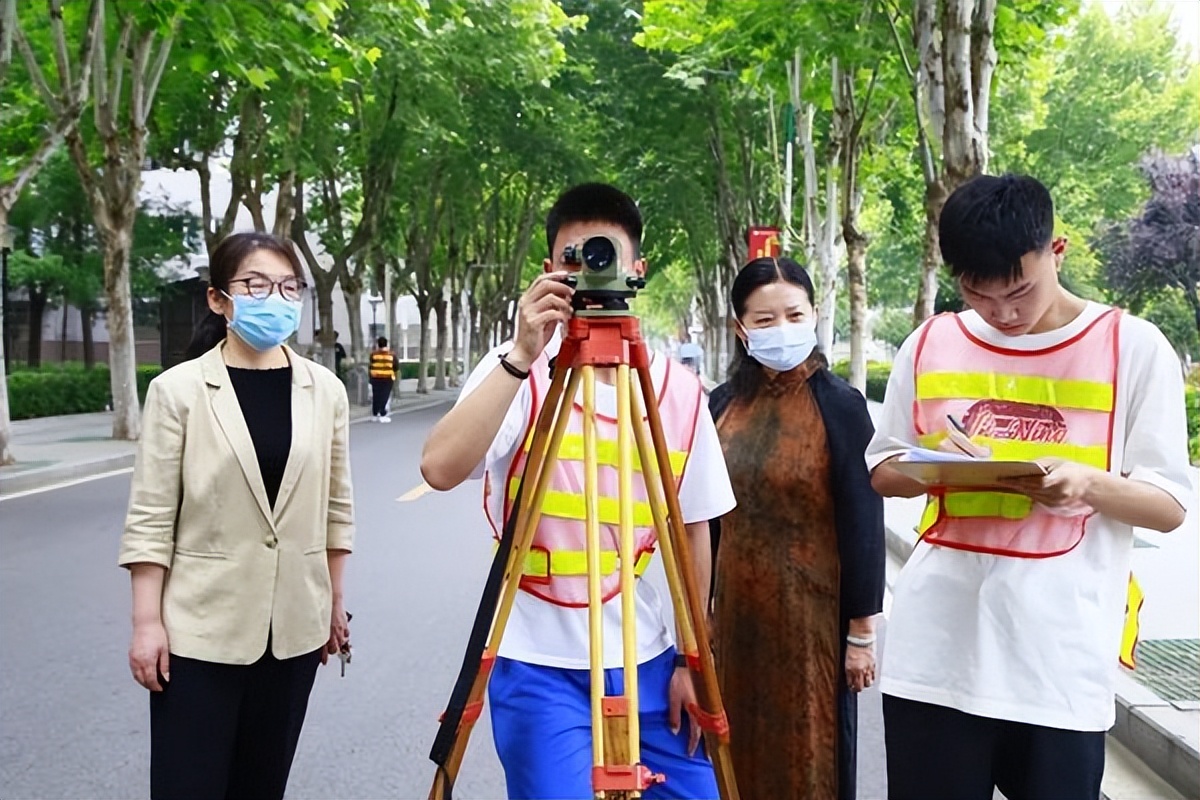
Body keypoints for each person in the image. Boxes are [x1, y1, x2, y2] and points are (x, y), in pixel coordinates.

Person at [867, 175, 1192, 800]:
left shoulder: (1133, 347)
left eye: (1019, 291)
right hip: (935, 657)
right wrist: (930, 458)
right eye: (978, 295)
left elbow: (1170, 506)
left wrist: (1089, 485)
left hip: (1057, 666)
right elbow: (882, 471)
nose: (1003, 314)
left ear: (1057, 251)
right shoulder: (930, 344)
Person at [421, 182, 736, 800]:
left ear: (636, 269)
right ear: (547, 270)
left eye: (602, 255)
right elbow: (439, 467)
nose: (587, 270)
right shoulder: (520, 370)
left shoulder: (675, 387)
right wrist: (521, 354)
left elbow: (693, 528)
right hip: (538, 665)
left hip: (649, 657)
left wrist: (691, 658)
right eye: (572, 257)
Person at [119, 231, 354, 800]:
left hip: (294, 629)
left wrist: (333, 606)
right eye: (255, 284)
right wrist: (147, 623)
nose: (273, 297)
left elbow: (336, 510)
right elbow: (152, 516)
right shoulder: (178, 391)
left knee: (260, 787)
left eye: (287, 286)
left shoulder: (325, 390)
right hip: (199, 633)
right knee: (187, 786)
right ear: (219, 299)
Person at [707, 257, 884, 800]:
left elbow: (864, 522)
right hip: (736, 624)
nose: (780, 328)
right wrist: (704, 613)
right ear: (740, 329)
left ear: (813, 315)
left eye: (793, 314)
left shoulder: (842, 407)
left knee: (812, 761)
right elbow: (706, 521)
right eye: (764, 320)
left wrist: (860, 634)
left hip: (814, 629)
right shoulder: (720, 405)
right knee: (733, 756)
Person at [369, 336, 399, 422]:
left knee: (376, 396)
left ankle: (375, 414)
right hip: (387, 378)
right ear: (386, 344)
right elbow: (396, 367)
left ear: (378, 344)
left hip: (376, 378)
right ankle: (382, 413)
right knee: (384, 396)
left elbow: (370, 366)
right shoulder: (391, 355)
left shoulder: (373, 355)